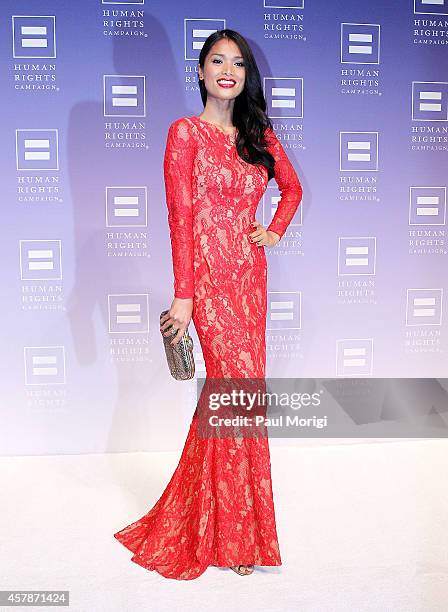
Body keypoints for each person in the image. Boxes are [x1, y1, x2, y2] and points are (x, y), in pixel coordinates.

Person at [114, 29, 303, 580]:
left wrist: (272, 232)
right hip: (210, 288)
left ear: (246, 75)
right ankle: (229, 535)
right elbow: (180, 220)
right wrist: (184, 297)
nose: (228, 70)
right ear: (200, 72)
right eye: (217, 61)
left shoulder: (258, 134)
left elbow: (291, 190)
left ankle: (231, 528)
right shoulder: (184, 134)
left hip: (250, 281)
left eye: (238, 63)